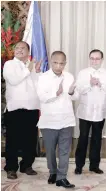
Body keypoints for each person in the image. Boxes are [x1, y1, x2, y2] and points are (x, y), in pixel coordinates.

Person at [37, 51, 76, 188]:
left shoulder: (70, 77)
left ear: (65, 63)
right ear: (51, 62)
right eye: (55, 63)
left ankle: (61, 177)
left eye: (61, 63)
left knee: (65, 150)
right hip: (49, 121)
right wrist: (56, 93)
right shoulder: (43, 77)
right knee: (50, 150)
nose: (58, 66)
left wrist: (71, 92)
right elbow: (41, 97)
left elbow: (75, 97)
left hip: (66, 119)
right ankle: (53, 171)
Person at [3, 41, 41, 179]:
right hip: (15, 109)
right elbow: (13, 80)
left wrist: (36, 72)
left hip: (32, 108)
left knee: (30, 139)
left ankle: (27, 165)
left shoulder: (31, 67)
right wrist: (28, 69)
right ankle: (11, 168)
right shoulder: (9, 65)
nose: (19, 50)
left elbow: (38, 86)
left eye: (22, 48)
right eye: (17, 48)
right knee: (12, 140)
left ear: (28, 52)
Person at [74, 49, 106, 174]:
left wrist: (100, 83)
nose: (94, 61)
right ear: (89, 59)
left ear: (102, 60)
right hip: (85, 112)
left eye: (97, 58)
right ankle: (79, 165)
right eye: (92, 58)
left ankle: (94, 165)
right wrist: (90, 84)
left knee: (97, 139)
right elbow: (79, 90)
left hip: (100, 112)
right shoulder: (83, 73)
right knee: (83, 138)